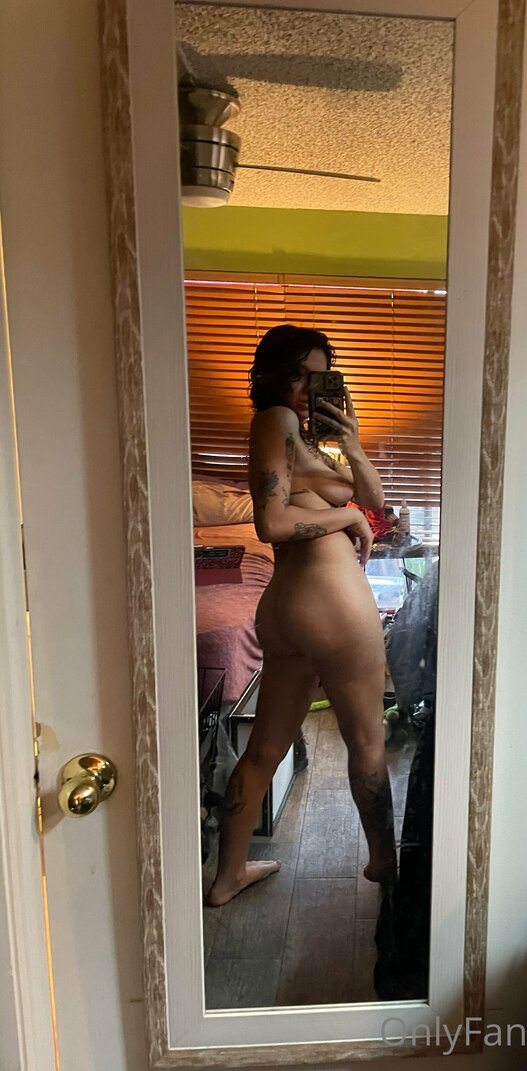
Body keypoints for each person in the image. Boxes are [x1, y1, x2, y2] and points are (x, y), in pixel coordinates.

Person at [205, 325, 397, 907]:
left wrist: (353, 443)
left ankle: (228, 876)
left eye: (320, 376)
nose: (309, 387)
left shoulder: (305, 438)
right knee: (367, 740)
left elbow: (376, 501)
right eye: (299, 374)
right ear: (273, 375)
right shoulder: (275, 420)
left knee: (267, 747)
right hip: (331, 604)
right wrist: (348, 519)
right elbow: (272, 524)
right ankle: (386, 867)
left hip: (289, 609)